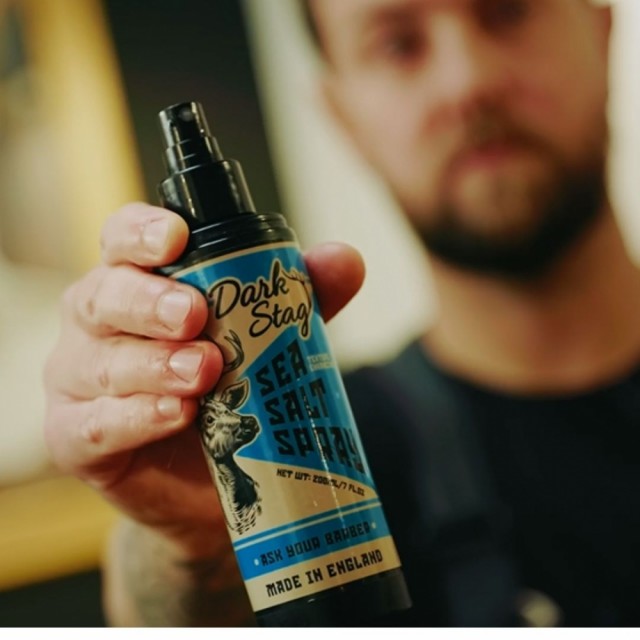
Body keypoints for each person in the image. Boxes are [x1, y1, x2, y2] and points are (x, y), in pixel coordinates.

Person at [42, 0, 640, 627]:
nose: (468, 81)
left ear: (602, 31)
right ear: (342, 115)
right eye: (398, 44)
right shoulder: (326, 465)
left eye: (508, 12)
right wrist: (186, 546)